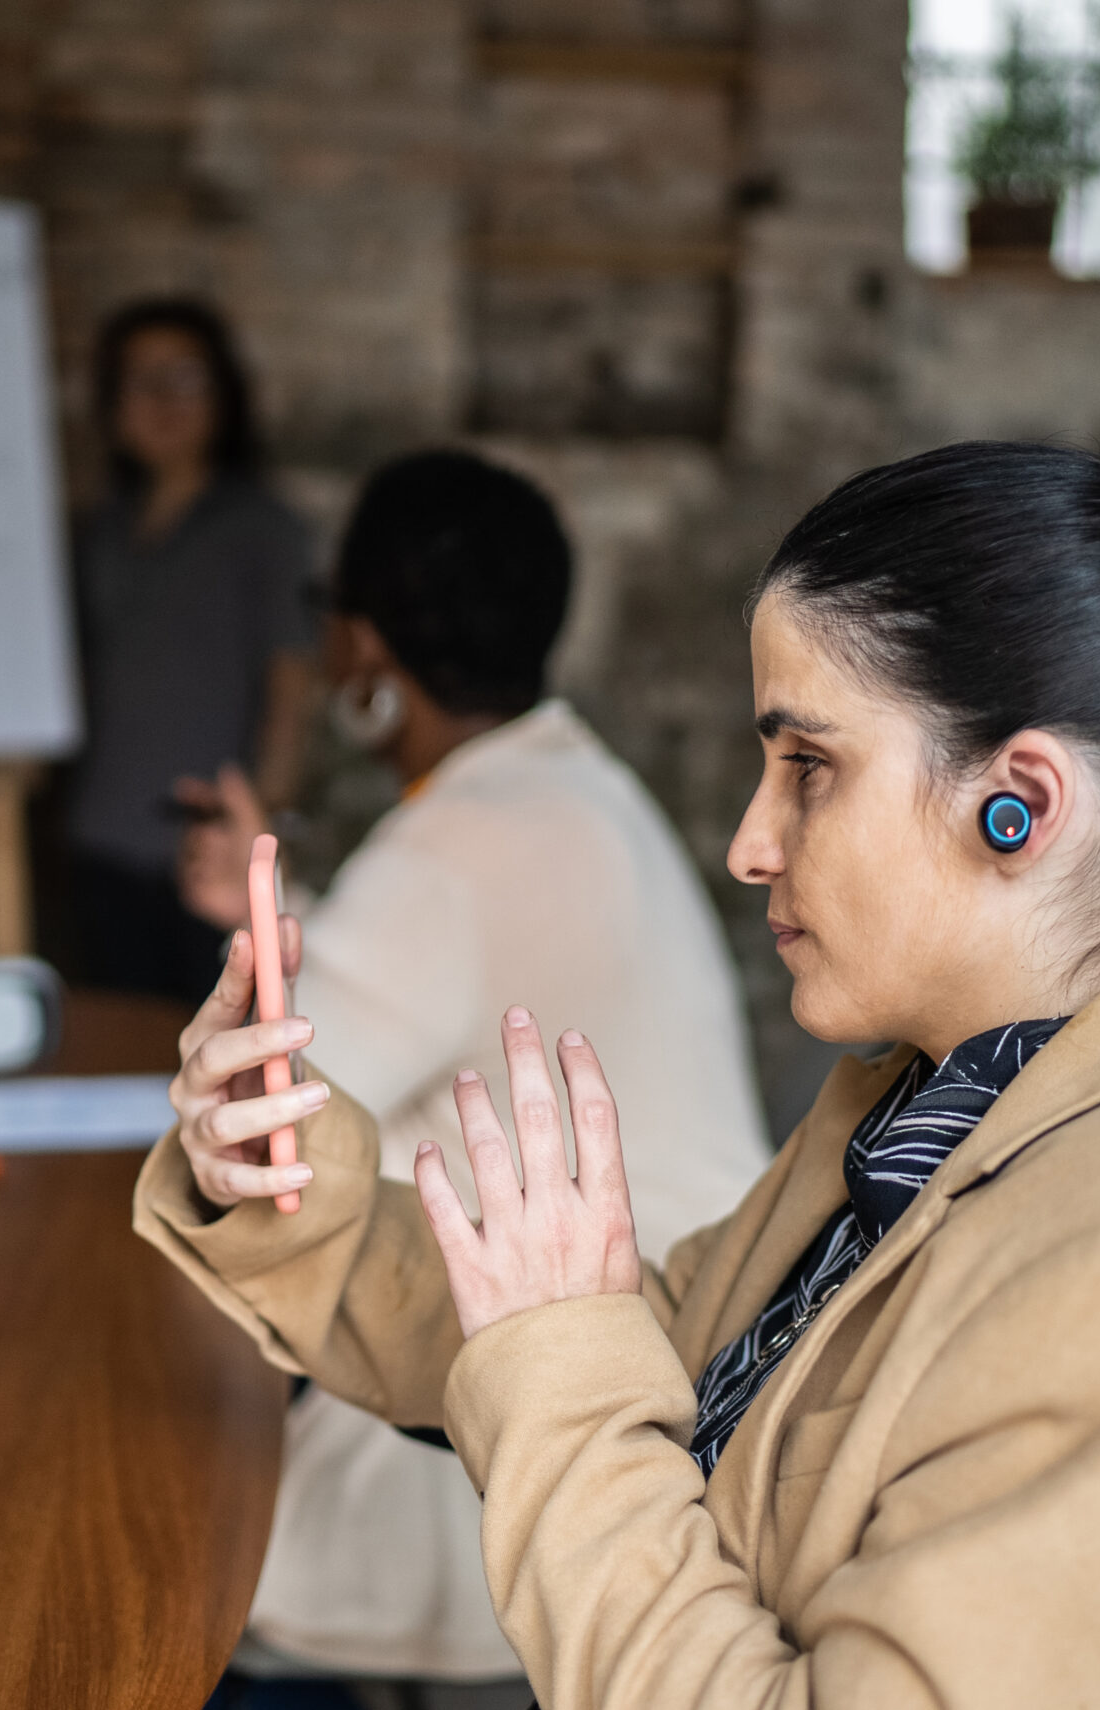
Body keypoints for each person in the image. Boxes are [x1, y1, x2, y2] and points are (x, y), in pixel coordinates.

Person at [142, 442, 1100, 1709]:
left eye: (810, 768)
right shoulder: (945, 1101)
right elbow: (637, 1333)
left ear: (1023, 804)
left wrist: (563, 1382)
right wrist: (278, 1182)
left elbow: (584, 1369)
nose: (747, 843)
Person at [172, 451, 770, 1685]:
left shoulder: (451, 843)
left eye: (329, 620)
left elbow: (263, 1104)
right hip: (695, 1366)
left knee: (197, 1587)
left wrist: (247, 965)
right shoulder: (575, 788)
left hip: (570, 1394)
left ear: (366, 658)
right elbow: (419, 973)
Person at [63, 299, 317, 1003]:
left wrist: (261, 828)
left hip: (208, 851)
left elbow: (292, 683)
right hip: (104, 834)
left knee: (213, 1049)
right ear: (112, 405)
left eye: (186, 379)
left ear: (225, 397)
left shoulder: (264, 528)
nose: (164, 402)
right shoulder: (98, 532)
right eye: (142, 382)